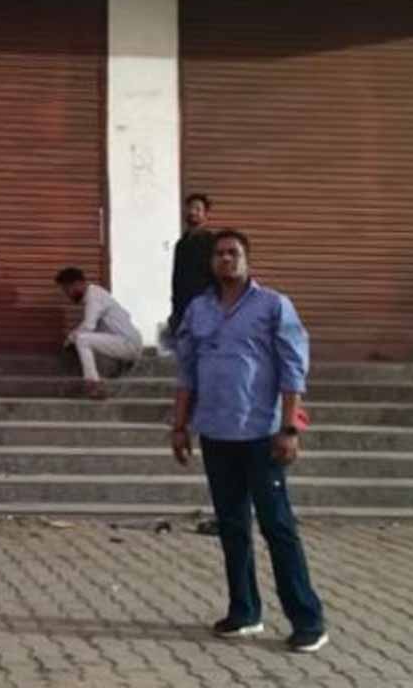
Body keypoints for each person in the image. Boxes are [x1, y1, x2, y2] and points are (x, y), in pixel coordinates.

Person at [171, 229, 328, 653]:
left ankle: (308, 619)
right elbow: (187, 371)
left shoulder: (273, 306)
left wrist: (289, 428)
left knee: (277, 526)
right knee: (232, 526)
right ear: (211, 263)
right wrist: (180, 425)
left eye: (234, 253)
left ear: (247, 259)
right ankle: (244, 612)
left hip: (262, 434)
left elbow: (293, 368)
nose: (226, 259)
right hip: (216, 433)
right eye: (219, 254)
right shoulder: (199, 310)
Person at [54, 267, 143, 399]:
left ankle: (94, 385)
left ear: (78, 284)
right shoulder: (94, 295)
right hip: (122, 342)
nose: (68, 295)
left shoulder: (94, 296)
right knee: (82, 340)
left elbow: (88, 326)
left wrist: (69, 339)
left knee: (82, 339)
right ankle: (106, 372)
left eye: (67, 290)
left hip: (128, 343)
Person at [168, 193, 215, 337]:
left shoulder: (212, 242)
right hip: (182, 308)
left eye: (198, 209)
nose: (192, 212)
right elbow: (176, 278)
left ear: (205, 215)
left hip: (205, 307)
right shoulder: (181, 244)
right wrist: (175, 310)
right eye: (190, 208)